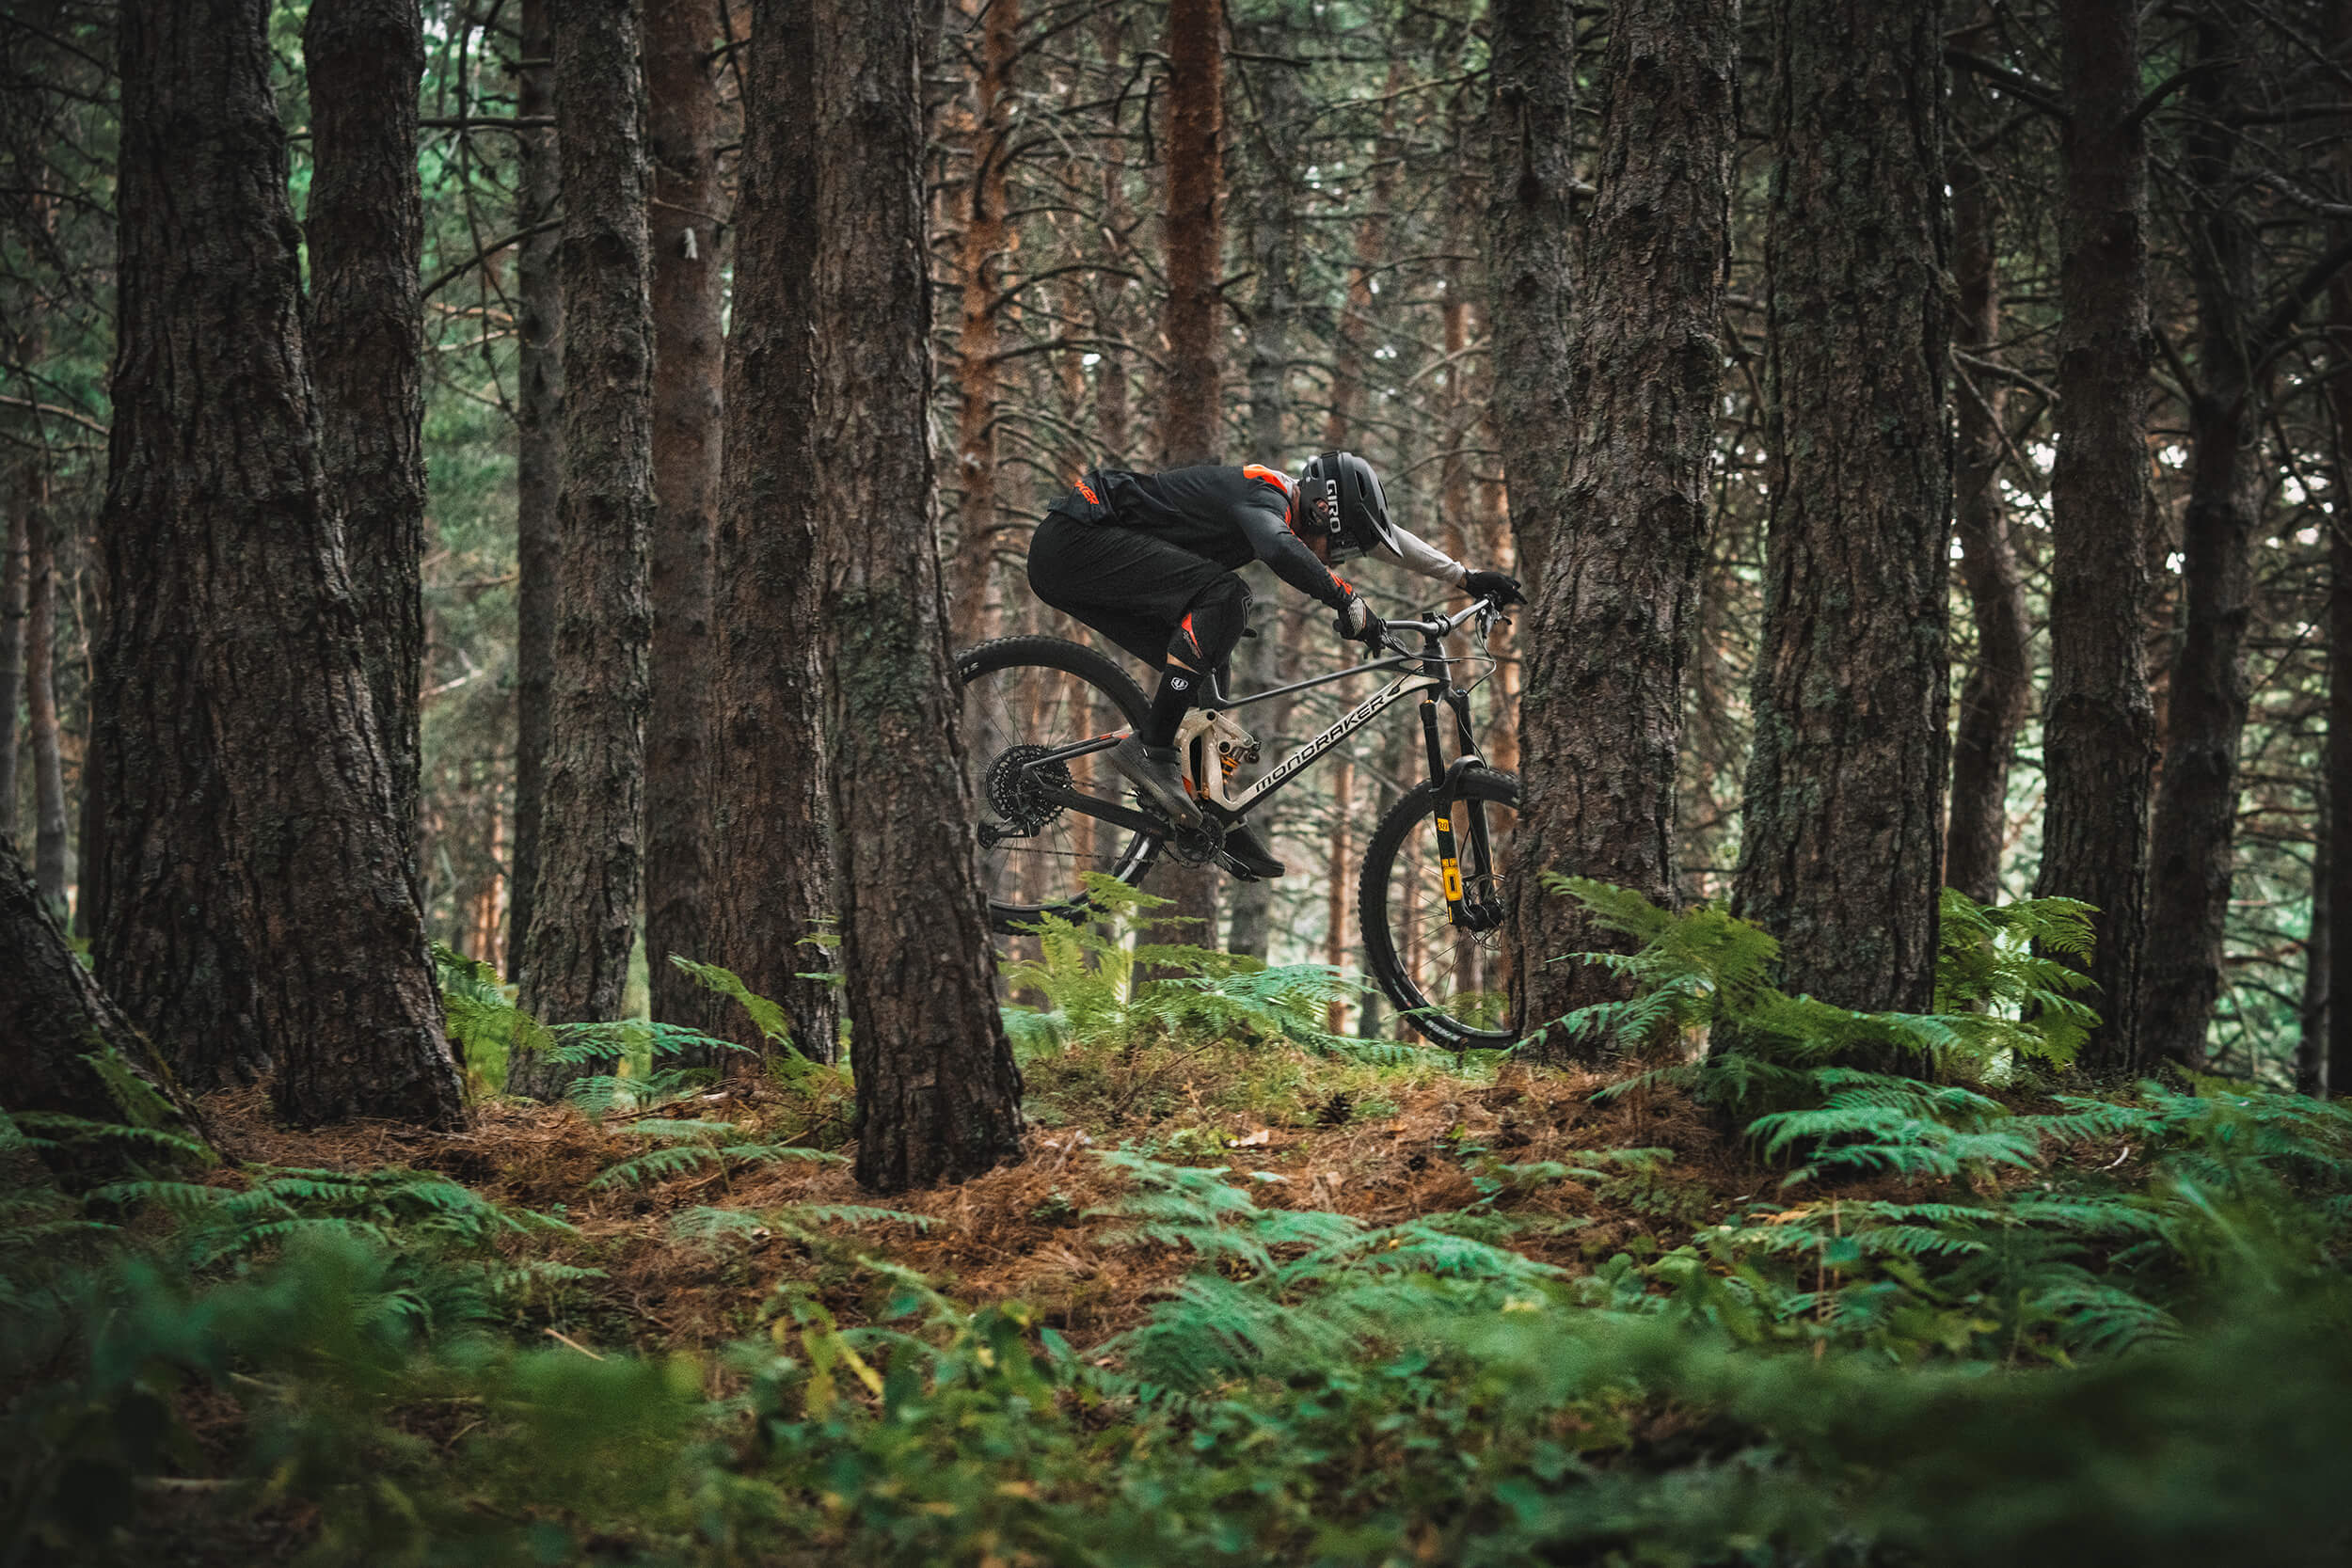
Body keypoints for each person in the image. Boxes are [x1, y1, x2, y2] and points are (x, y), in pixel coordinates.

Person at [1025, 451, 1523, 879]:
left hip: (1083, 557)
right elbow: (1277, 547)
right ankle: (1152, 749)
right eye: (1340, 547)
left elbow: (1386, 539)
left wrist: (1466, 578)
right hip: (1075, 543)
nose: (1337, 561)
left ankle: (1207, 807)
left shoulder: (1290, 503)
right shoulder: (1264, 494)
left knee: (1211, 655)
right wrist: (1346, 599)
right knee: (1226, 596)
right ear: (1322, 509)